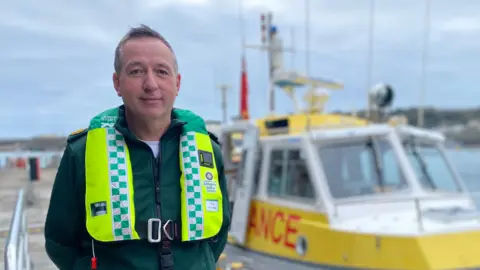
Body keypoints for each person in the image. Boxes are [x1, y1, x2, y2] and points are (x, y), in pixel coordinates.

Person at [44, 24, 231, 270]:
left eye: (162, 71)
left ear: (177, 83)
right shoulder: (82, 152)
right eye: (136, 71)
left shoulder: (207, 150)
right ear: (117, 83)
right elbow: (60, 241)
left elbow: (219, 233)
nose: (151, 84)